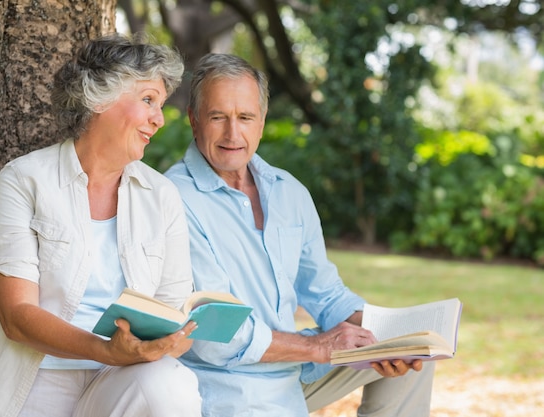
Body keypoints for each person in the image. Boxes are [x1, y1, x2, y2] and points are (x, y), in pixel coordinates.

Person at [0, 33, 202, 417]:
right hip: (34, 373)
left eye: (160, 105)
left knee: (173, 387)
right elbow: (16, 316)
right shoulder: (24, 179)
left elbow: (175, 312)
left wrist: (167, 342)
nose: (159, 119)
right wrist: (104, 349)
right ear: (100, 97)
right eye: (148, 100)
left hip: (118, 379)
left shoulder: (161, 195)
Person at [165, 53, 435, 417]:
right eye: (218, 117)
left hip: (295, 368)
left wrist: (388, 331)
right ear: (195, 121)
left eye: (245, 117)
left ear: (261, 122)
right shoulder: (173, 198)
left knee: (411, 358)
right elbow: (214, 335)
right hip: (231, 387)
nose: (233, 133)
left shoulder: (288, 191)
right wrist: (318, 347)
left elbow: (325, 293)